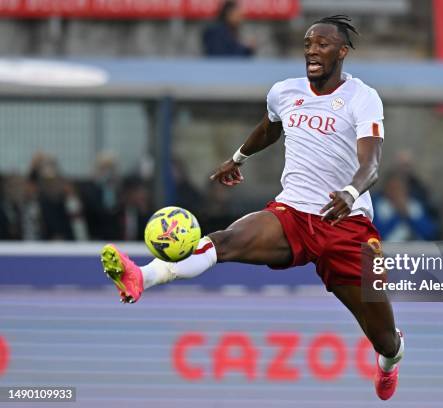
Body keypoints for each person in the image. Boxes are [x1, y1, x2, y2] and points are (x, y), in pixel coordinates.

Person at [101, 15, 403, 400]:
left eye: (322, 44)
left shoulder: (363, 97)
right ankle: (142, 276)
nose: (312, 50)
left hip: (349, 226)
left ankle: (390, 361)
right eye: (308, 43)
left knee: (382, 336)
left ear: (342, 52)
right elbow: (271, 126)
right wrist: (238, 157)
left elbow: (372, 163)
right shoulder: (284, 91)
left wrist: (349, 191)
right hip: (292, 215)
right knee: (224, 241)